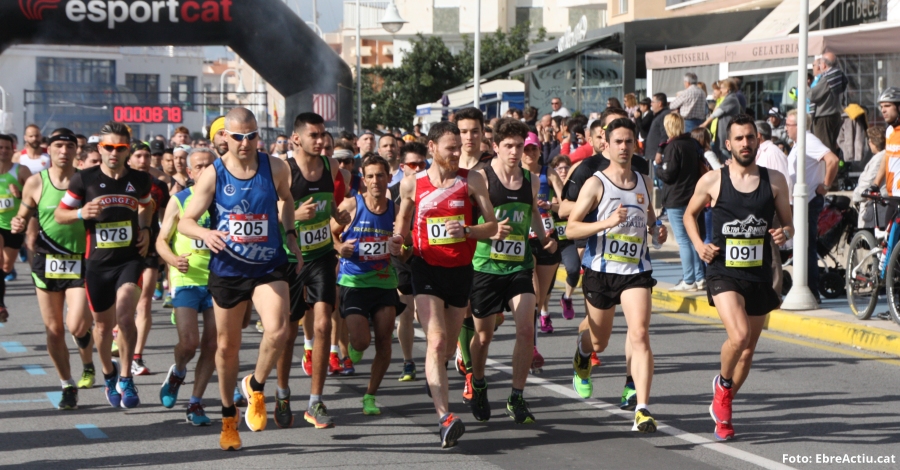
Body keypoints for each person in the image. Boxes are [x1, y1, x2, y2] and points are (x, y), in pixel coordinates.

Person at [178, 107, 303, 451]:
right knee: (226, 348)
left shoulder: (275, 166)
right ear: (225, 138)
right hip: (229, 269)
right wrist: (204, 232)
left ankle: (256, 385)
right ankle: (228, 419)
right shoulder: (214, 175)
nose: (245, 143)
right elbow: (185, 221)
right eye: (238, 137)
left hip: (268, 264)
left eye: (251, 136)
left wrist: (290, 233)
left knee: (279, 329)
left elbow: (287, 199)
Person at [683, 114, 793, 441]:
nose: (746, 143)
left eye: (750, 137)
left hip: (758, 274)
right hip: (723, 271)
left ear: (757, 140)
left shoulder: (774, 180)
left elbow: (789, 223)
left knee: (748, 350)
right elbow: (689, 214)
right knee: (740, 335)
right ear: (728, 144)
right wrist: (699, 245)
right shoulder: (713, 180)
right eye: (740, 139)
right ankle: (723, 385)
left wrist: (783, 233)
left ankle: (724, 399)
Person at [389, 121, 498, 448]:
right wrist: (398, 243)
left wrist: (466, 231)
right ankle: (445, 418)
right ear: (432, 148)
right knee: (435, 342)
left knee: (449, 348)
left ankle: (434, 374)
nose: (457, 152)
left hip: (460, 271)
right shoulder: (412, 184)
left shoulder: (472, 180)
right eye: (451, 147)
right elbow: (402, 227)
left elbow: (491, 226)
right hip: (425, 270)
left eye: (458, 147)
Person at [565, 117, 666, 433]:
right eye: (617, 142)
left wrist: (656, 229)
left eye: (629, 141)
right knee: (600, 341)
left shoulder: (644, 181)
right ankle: (583, 356)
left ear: (636, 144)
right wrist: (604, 223)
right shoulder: (596, 183)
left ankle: (643, 408)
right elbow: (571, 228)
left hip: (636, 271)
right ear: (605, 145)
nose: (624, 147)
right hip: (600, 271)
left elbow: (650, 220)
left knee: (640, 334)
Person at [56, 121, 154, 410]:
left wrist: (146, 230)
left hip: (129, 260)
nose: (114, 152)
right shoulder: (83, 179)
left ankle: (126, 378)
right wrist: (80, 213)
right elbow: (60, 214)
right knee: (101, 326)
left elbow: (147, 206)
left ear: (127, 150)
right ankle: (109, 375)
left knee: (125, 317)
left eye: (120, 148)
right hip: (97, 263)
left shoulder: (139, 180)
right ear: (100, 148)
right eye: (108, 147)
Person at [464, 118, 556, 425]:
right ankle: (478, 383)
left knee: (526, 330)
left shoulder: (531, 179)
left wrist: (545, 239)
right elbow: (467, 222)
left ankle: (516, 396)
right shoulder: (480, 178)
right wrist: (488, 231)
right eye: (508, 146)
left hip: (519, 266)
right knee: (483, 336)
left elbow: (531, 215)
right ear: (495, 147)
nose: (515, 152)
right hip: (485, 267)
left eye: (519, 146)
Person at [10, 129, 94, 408]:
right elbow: (22, 215)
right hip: (46, 262)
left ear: (75, 151)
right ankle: (67, 384)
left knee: (77, 324)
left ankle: (88, 362)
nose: (64, 151)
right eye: (58, 145)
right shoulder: (35, 182)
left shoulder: (86, 181)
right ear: (50, 150)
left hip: (80, 260)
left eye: (69, 146)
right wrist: (18, 224)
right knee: (54, 330)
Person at [274, 112, 347, 430]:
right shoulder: (284, 170)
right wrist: (295, 215)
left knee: (322, 325)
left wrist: (339, 217)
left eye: (324, 135)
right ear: (296, 139)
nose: (322, 141)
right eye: (315, 136)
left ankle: (315, 401)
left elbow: (330, 205)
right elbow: (269, 213)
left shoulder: (331, 166)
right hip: (289, 259)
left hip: (320, 257)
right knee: (287, 333)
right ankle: (281, 393)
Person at [332, 154, 401, 415]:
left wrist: (399, 247)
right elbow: (330, 235)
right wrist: (340, 248)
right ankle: (352, 347)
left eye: (380, 175)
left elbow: (405, 249)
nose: (375, 181)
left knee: (384, 340)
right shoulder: (351, 205)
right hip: (354, 281)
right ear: (363, 179)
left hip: (384, 283)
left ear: (389, 178)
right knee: (361, 342)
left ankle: (370, 395)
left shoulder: (395, 210)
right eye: (370, 176)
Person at [156, 146, 218, 426]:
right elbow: (161, 240)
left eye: (210, 165)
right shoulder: (180, 200)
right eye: (199, 167)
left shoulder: (226, 200)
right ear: (190, 173)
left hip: (219, 279)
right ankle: (179, 370)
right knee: (190, 342)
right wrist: (172, 260)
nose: (205, 171)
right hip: (187, 279)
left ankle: (195, 402)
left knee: (213, 344)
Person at [785, 109, 839, 305]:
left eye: (788, 125)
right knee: (802, 246)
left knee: (806, 247)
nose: (785, 128)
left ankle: (812, 291)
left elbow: (832, 159)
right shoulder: (799, 144)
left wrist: (825, 185)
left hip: (808, 202)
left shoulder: (809, 141)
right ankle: (806, 288)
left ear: (798, 126)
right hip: (800, 202)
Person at [126, 143, 171, 376]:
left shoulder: (160, 186)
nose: (144, 160)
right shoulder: (121, 181)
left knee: (144, 302)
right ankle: (118, 333)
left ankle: (137, 357)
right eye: (138, 156)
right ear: (129, 158)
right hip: (121, 248)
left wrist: (165, 245)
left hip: (149, 246)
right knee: (123, 302)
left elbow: (166, 219)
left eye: (147, 156)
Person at [389, 142, 428, 382]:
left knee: (428, 313)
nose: (417, 168)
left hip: (427, 255)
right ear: (403, 166)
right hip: (402, 255)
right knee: (405, 310)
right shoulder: (391, 191)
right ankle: (408, 361)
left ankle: (441, 358)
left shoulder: (433, 187)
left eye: (422, 164)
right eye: (412, 164)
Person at [521, 133, 564, 341]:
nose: (530, 153)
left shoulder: (549, 172)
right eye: (526, 149)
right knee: (533, 292)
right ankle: (531, 344)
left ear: (540, 151)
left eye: (533, 149)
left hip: (547, 234)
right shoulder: (515, 175)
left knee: (539, 298)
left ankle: (539, 319)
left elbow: (565, 205)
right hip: (524, 238)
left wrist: (550, 205)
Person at [656, 113, 704, 291]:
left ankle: (689, 279)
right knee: (693, 238)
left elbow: (668, 174)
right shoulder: (692, 144)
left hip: (676, 197)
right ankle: (699, 277)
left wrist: (658, 168)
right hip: (692, 196)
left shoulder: (673, 146)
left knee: (683, 240)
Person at [0, 132, 32, 318]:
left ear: (13, 149)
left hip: (14, 225)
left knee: (5, 267)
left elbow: (34, 197)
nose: (3, 151)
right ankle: (1, 305)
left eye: (7, 147)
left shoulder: (21, 171)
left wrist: (19, 193)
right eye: (0, 147)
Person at [809, 52, 847, 153]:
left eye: (819, 63)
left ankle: (828, 169)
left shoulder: (827, 78)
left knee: (824, 149)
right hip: (834, 115)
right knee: (829, 147)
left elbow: (812, 95)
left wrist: (804, 86)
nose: (818, 66)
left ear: (824, 65)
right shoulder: (838, 76)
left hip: (824, 117)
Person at [701, 79, 742, 161]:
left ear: (727, 89)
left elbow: (717, 113)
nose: (720, 90)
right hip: (720, 135)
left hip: (725, 135)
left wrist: (704, 124)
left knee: (726, 158)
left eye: (722, 88)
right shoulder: (728, 98)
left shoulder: (731, 98)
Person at [854, 126, 886, 229]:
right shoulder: (881, 156)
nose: (868, 143)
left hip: (875, 209)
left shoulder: (880, 158)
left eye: (869, 140)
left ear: (874, 142)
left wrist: (856, 197)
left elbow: (868, 182)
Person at [643, 93, 672, 162]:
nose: (651, 104)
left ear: (659, 103)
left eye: (653, 102)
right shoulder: (658, 115)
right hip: (652, 154)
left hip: (657, 156)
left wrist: (659, 151)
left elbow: (664, 135)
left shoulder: (664, 115)